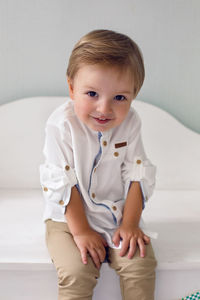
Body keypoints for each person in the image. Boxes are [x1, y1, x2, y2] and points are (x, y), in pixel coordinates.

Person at [39, 29, 157, 300]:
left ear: (133, 95)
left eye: (120, 98)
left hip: (115, 215)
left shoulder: (131, 122)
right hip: (68, 219)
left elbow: (136, 174)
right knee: (76, 270)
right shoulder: (61, 125)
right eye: (92, 93)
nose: (104, 109)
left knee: (140, 263)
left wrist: (129, 224)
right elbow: (63, 182)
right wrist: (81, 232)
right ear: (71, 88)